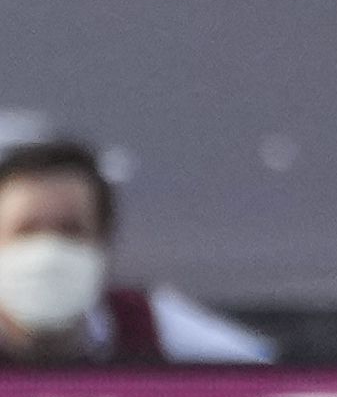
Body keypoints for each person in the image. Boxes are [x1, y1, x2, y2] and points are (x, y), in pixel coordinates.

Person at [0, 138, 273, 366]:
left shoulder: (146, 322)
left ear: (103, 240)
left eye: (71, 231)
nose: (49, 251)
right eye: (26, 231)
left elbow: (271, 374)